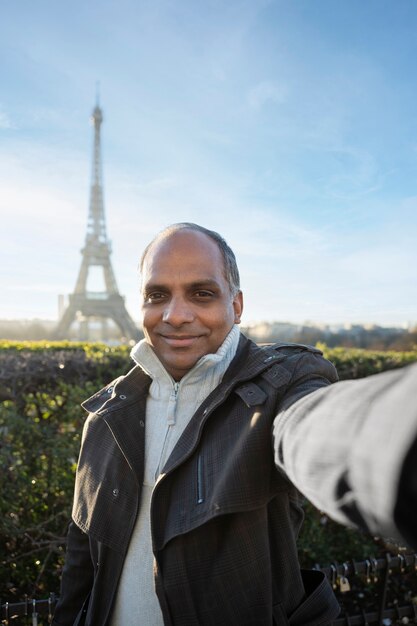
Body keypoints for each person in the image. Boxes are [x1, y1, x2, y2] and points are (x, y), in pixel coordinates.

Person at [52, 223, 417, 626]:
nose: (175, 315)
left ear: (237, 305)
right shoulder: (106, 415)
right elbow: (82, 561)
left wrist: (397, 441)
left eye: (201, 293)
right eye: (157, 295)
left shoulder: (280, 386)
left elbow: (320, 428)